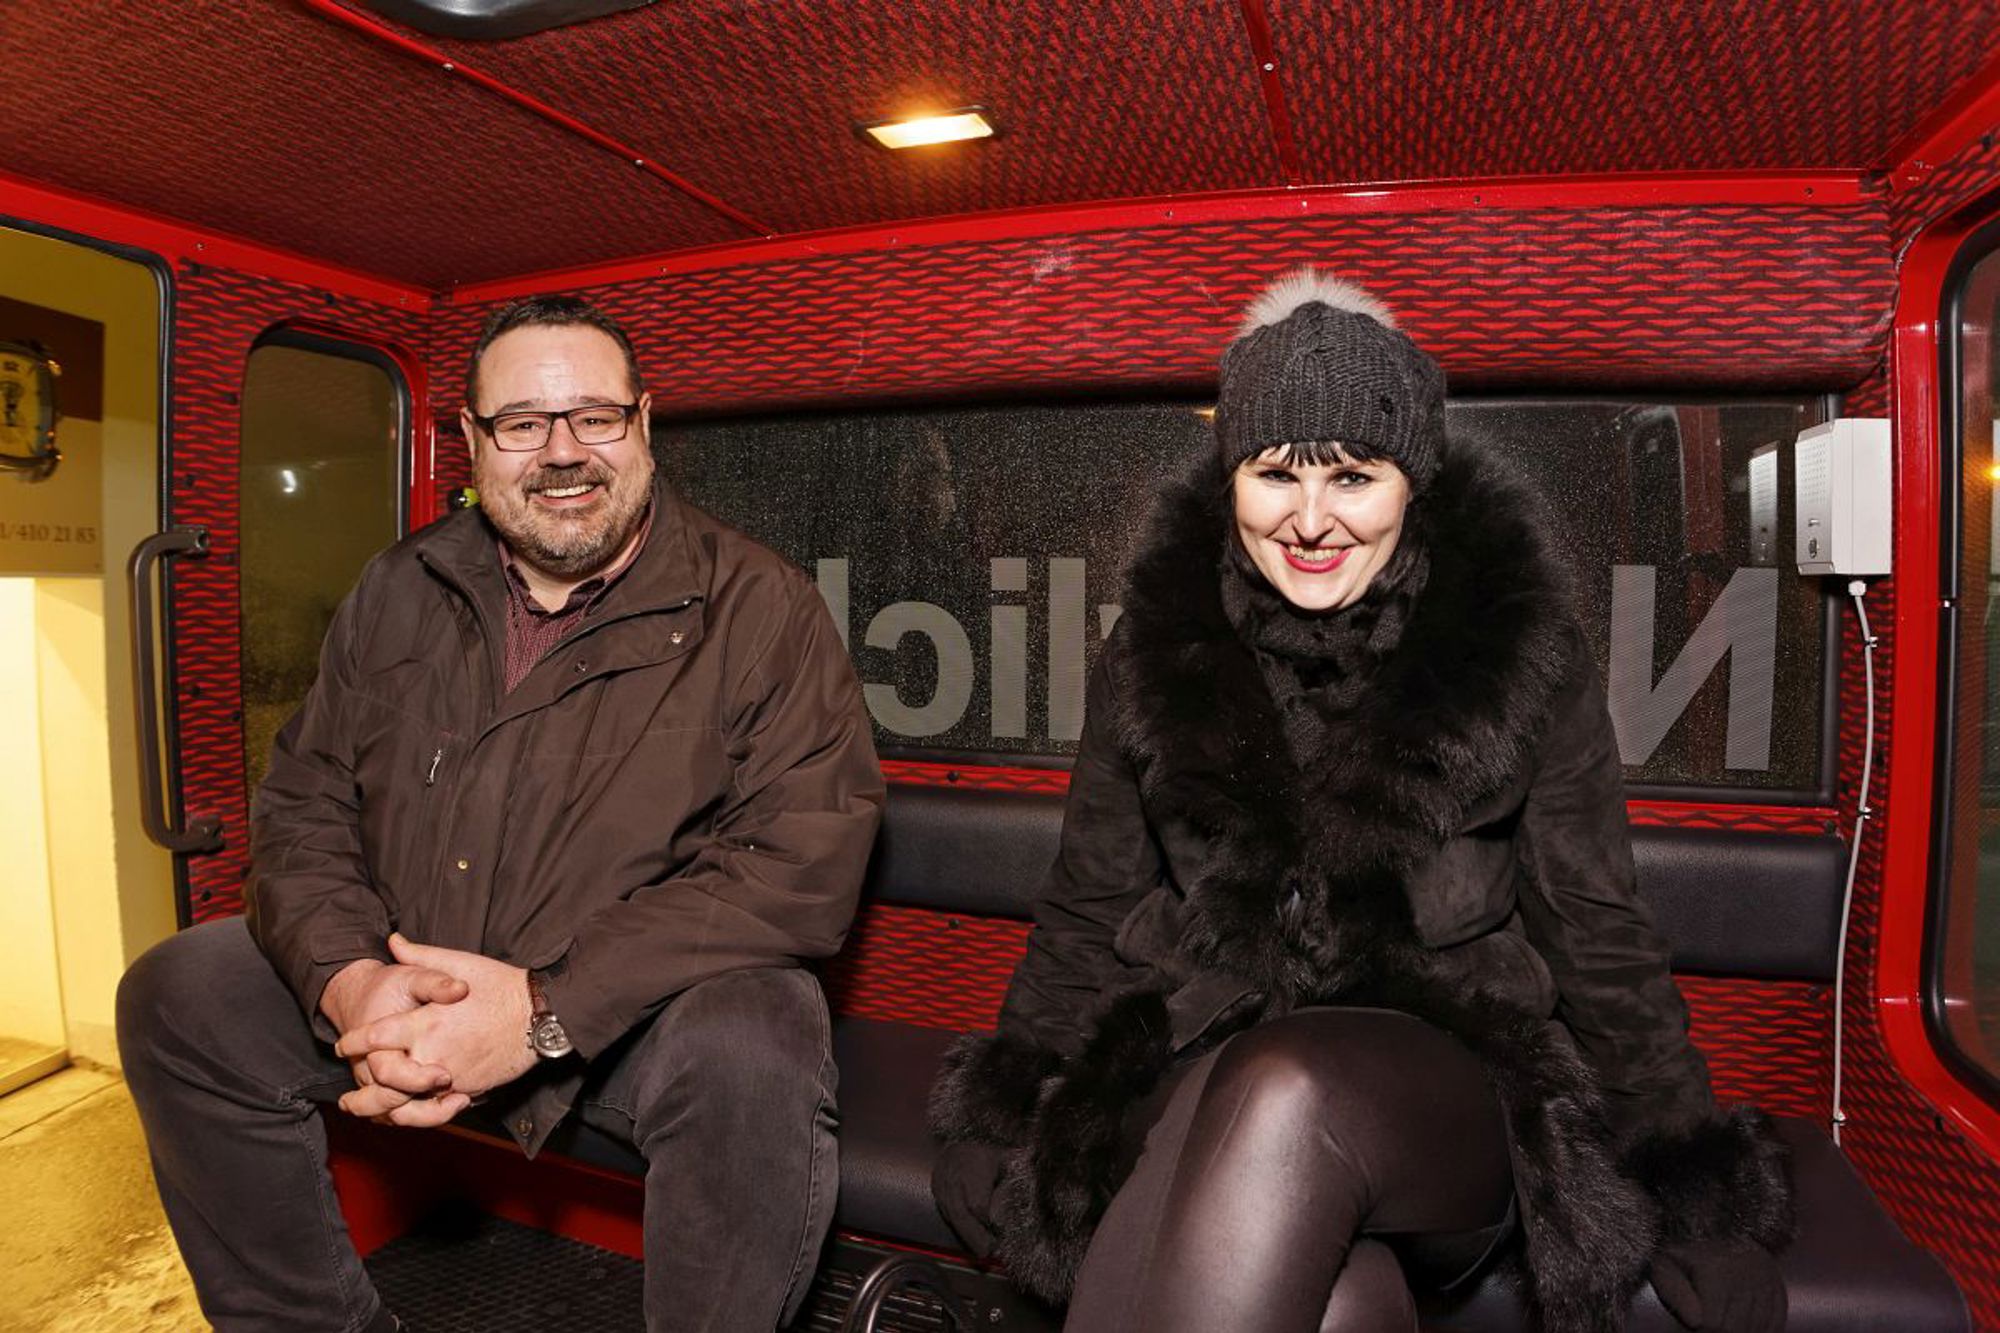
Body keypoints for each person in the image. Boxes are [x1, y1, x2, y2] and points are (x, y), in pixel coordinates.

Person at [927, 271, 1793, 1333]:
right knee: (1339, 1300)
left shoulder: (1519, 654)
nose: (1309, 520)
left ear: (1412, 482)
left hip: (1446, 1077)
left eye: (1351, 475)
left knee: (1285, 1088)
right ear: (1230, 480)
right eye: (1273, 473)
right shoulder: (1154, 654)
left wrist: (1689, 1174)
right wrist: (1006, 1098)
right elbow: (1085, 902)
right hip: (1202, 1049)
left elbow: (1597, 928)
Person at [117, 295, 884, 1333]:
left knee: (757, 1047)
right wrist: (351, 980)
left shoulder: (762, 608)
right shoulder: (397, 588)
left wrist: (540, 1011)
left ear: (644, 423)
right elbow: (305, 801)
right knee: (180, 993)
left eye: (594, 417)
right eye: (522, 422)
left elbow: (800, 860)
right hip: (408, 968)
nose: (563, 452)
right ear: (473, 442)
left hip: (629, 1009)